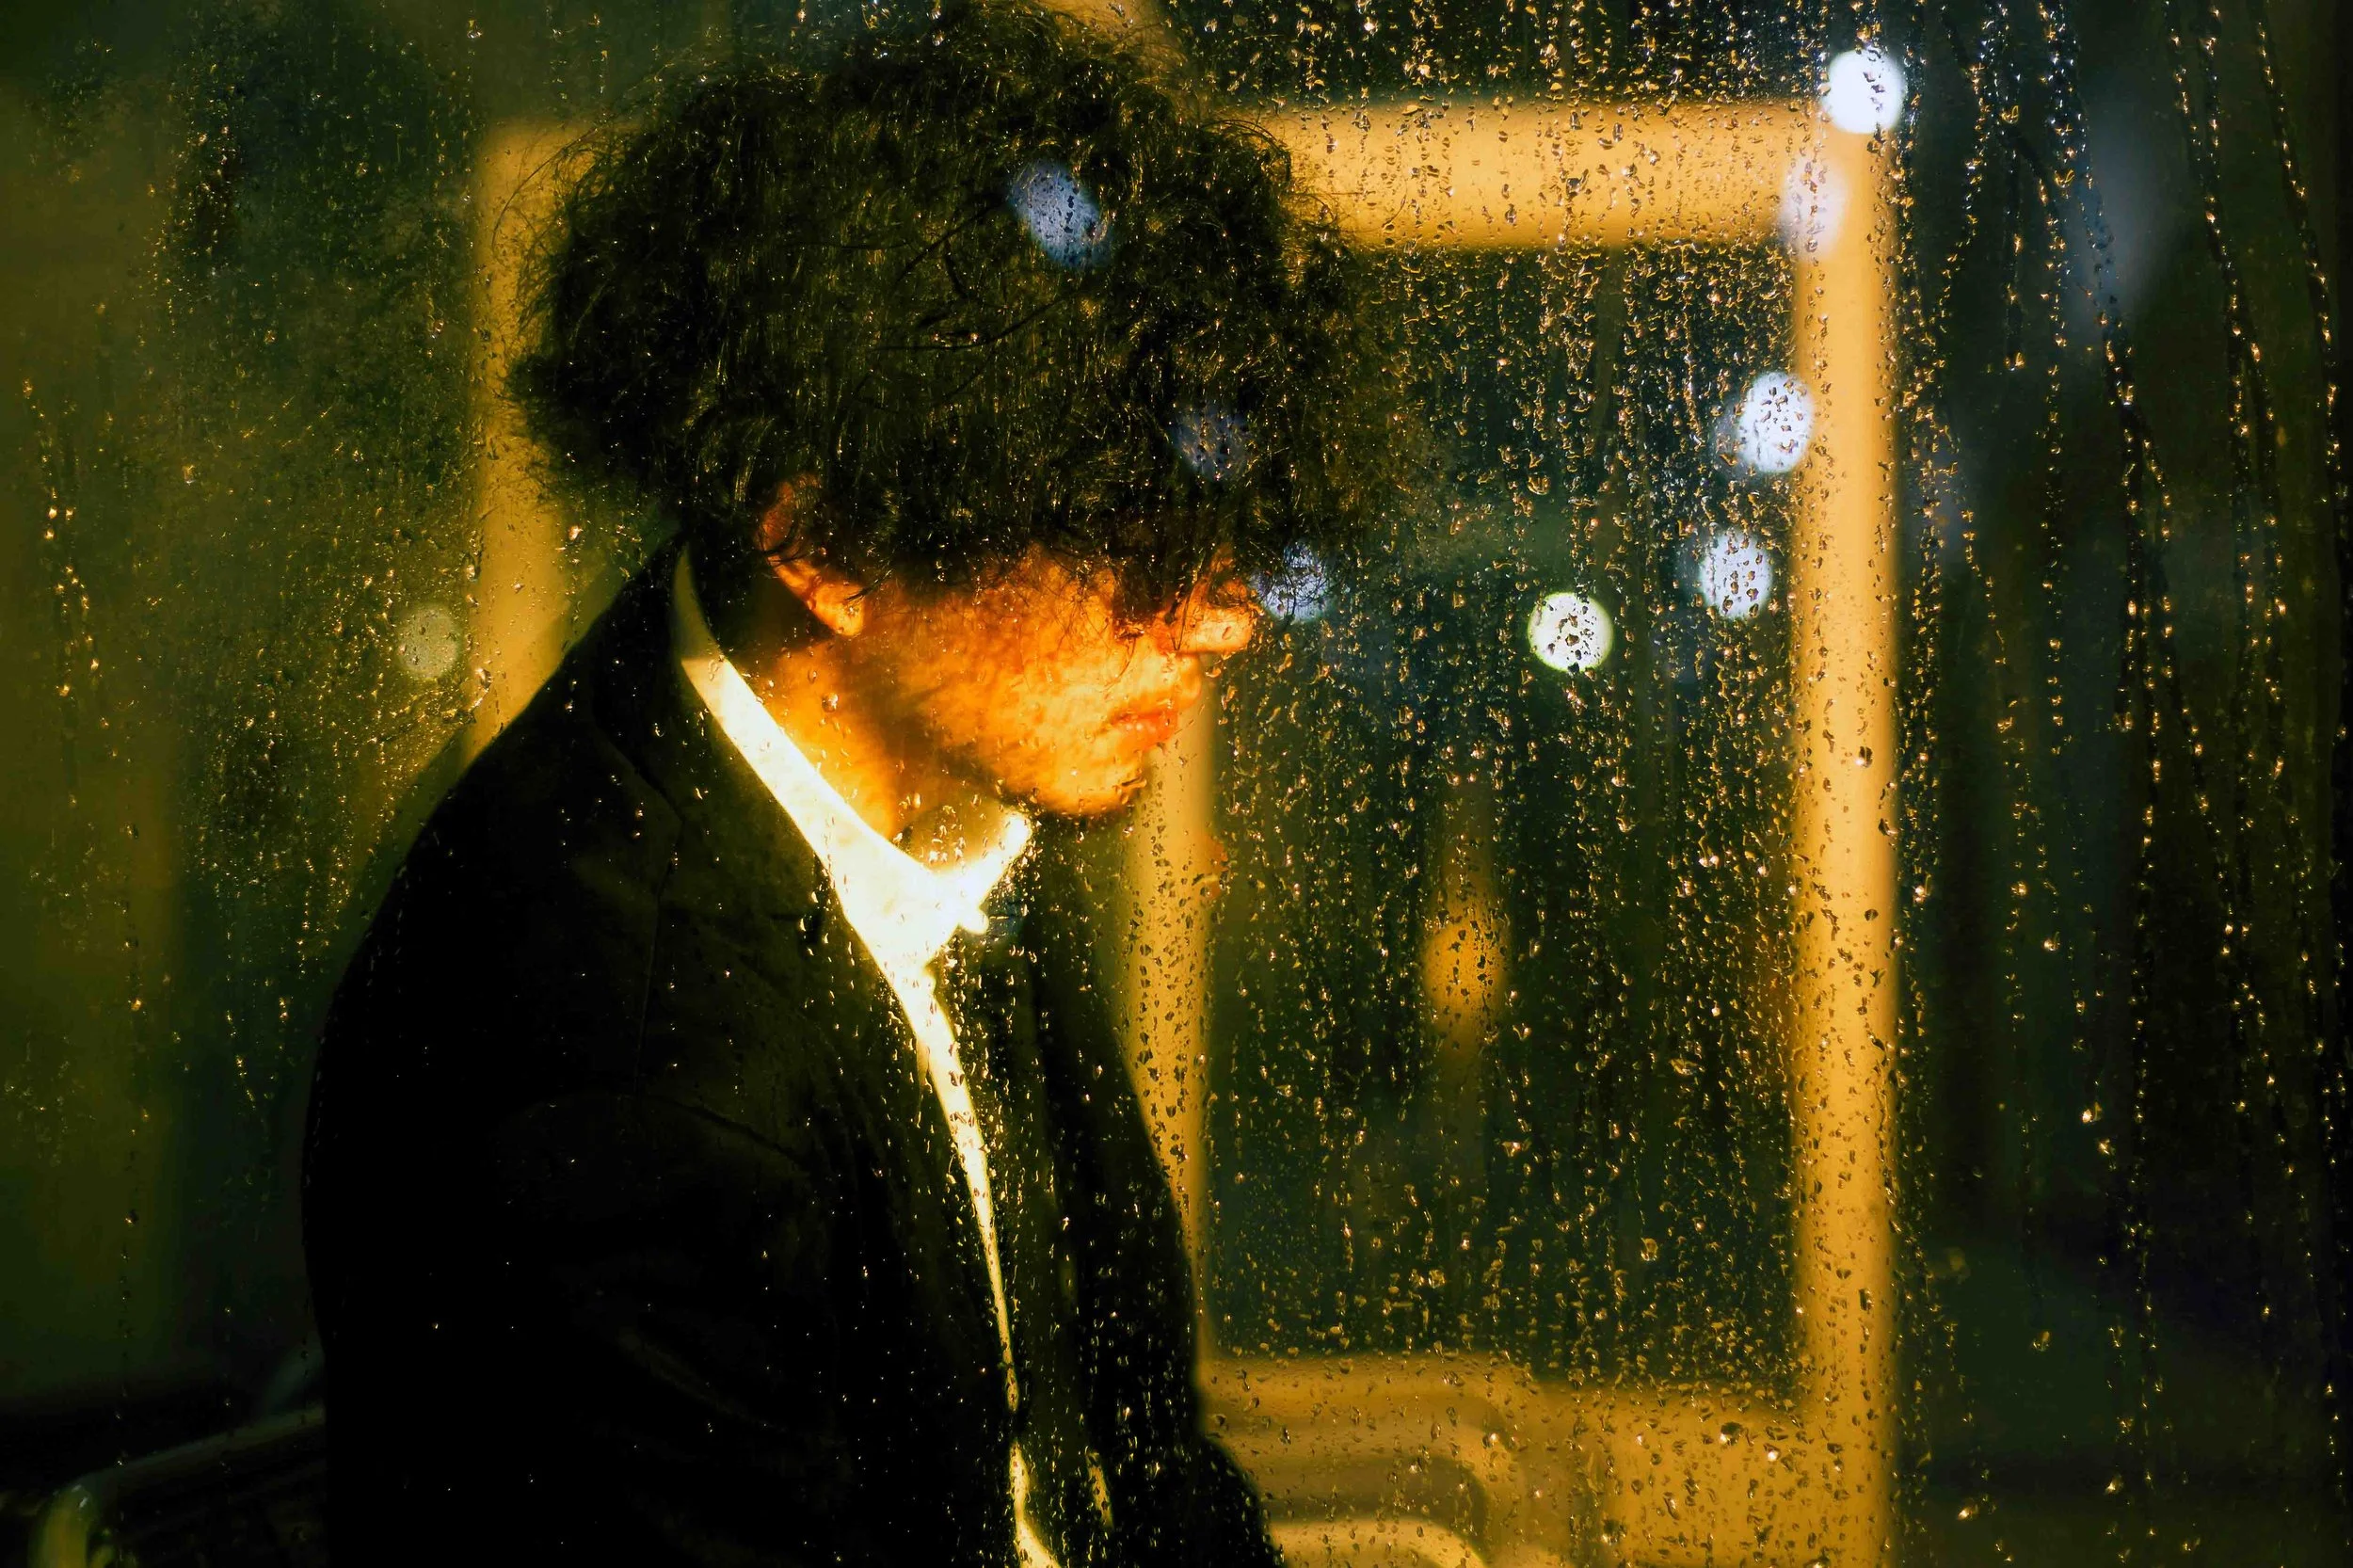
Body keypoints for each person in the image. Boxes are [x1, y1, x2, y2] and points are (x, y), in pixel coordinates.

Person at [301, 4, 1409, 1562]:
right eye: (1129, 552)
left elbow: (1141, 1456)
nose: (1223, 623)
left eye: (1222, 548)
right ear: (822, 541)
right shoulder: (614, 1051)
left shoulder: (937, 819)